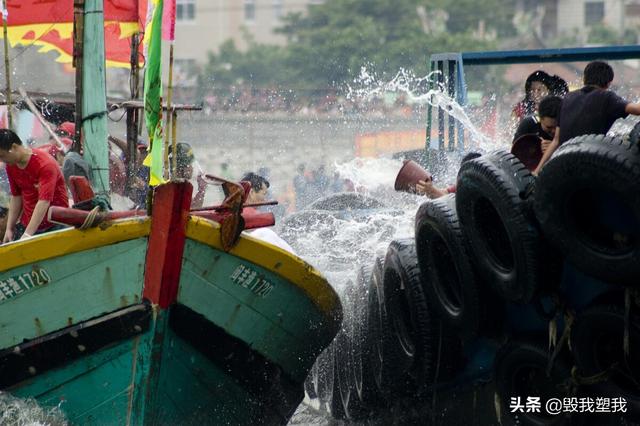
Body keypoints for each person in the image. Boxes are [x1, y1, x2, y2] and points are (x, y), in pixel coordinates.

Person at [535, 61, 640, 174]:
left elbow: (556, 140)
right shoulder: (606, 97)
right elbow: (637, 110)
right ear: (609, 83)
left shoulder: (568, 98)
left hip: (562, 162)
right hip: (590, 163)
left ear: (584, 78)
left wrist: (537, 171)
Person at [0, 129, 69, 242]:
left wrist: (27, 235)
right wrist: (9, 228)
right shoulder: (11, 166)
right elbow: (16, 196)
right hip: (28, 224)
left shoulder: (45, 164)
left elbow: (44, 202)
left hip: (55, 224)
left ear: (14, 147)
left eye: (2, 156)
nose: (1, 160)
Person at [416, 152, 482, 199]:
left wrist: (432, 190)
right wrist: (428, 188)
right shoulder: (462, 184)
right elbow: (445, 193)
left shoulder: (484, 190)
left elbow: (454, 205)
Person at [168, 142, 207, 208]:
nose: (192, 168)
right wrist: (201, 191)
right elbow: (192, 210)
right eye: (189, 165)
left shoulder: (172, 184)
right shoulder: (179, 188)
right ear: (181, 169)